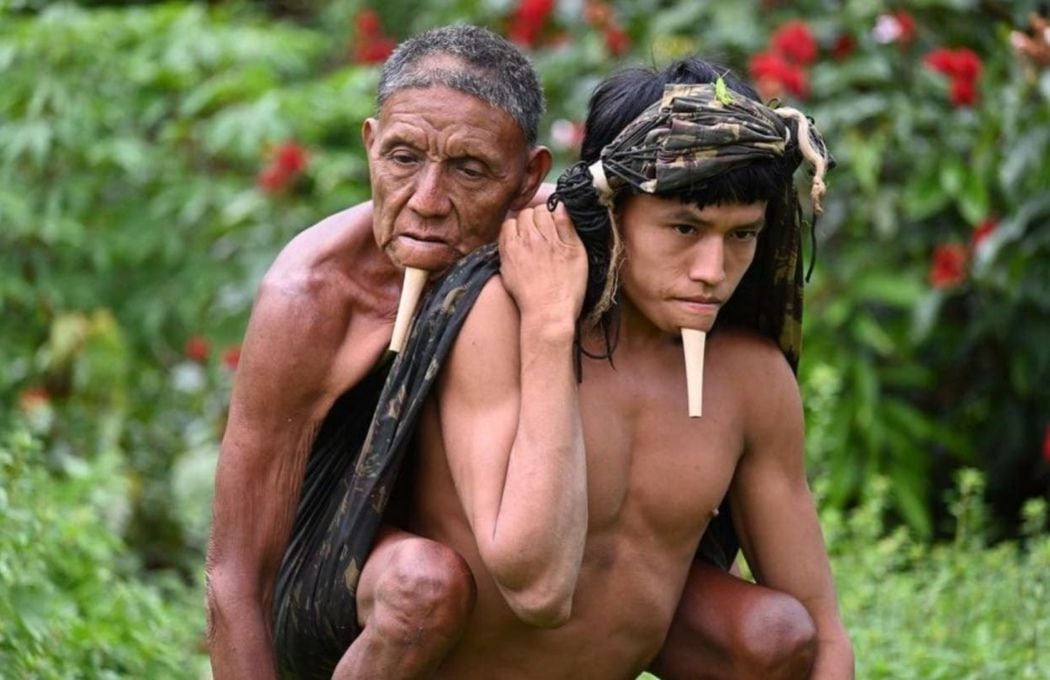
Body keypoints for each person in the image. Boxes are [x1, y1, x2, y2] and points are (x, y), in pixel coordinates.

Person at [206, 24, 830, 680]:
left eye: (470, 168)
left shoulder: (561, 245)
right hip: (374, 587)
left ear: (529, 177)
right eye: (402, 158)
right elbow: (237, 574)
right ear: (369, 145)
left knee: (767, 630)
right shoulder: (313, 294)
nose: (426, 201)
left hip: (529, 592)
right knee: (423, 586)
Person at [399, 59, 854, 678]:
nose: (711, 270)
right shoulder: (498, 320)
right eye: (684, 227)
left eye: (742, 235)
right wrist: (550, 327)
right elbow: (535, 587)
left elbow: (824, 634)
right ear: (609, 213)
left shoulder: (750, 379)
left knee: (778, 633)